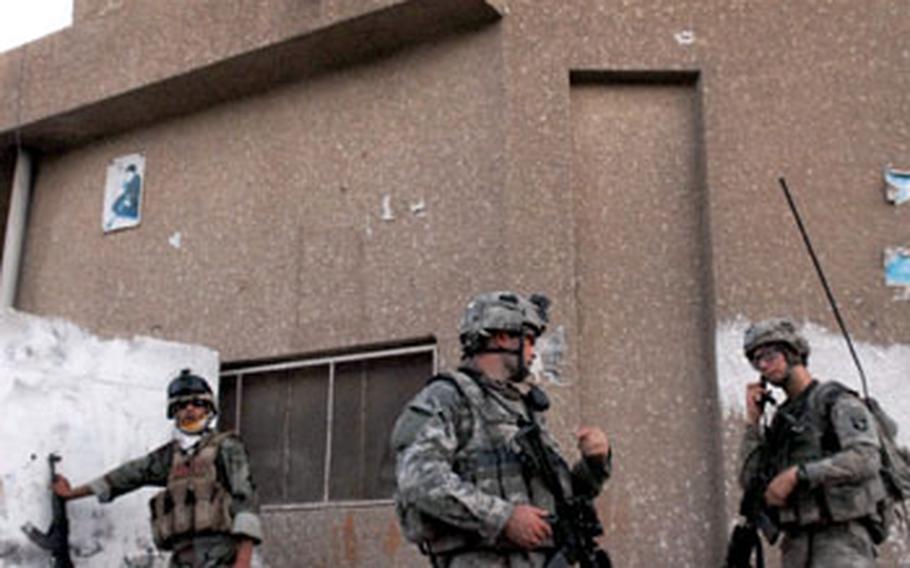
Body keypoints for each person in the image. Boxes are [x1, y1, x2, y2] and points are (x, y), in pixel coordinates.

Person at [392, 291, 612, 567]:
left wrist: (594, 462)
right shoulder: (448, 399)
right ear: (502, 337)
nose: (534, 352)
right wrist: (503, 518)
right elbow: (418, 480)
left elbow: (561, 498)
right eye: (529, 339)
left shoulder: (521, 409)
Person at [53, 369, 263, 568]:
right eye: (181, 405)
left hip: (220, 553)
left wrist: (243, 560)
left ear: (208, 408)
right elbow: (127, 476)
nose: (189, 409)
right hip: (182, 557)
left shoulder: (227, 446)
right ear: (173, 412)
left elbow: (245, 499)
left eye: (197, 403)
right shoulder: (170, 456)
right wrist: (72, 493)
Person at [738, 318, 885, 567]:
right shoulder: (781, 421)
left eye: (770, 355)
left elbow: (866, 458)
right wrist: (753, 423)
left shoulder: (835, 401)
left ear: (793, 352)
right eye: (756, 360)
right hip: (797, 543)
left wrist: (799, 475)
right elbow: (749, 481)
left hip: (840, 540)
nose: (763, 365)